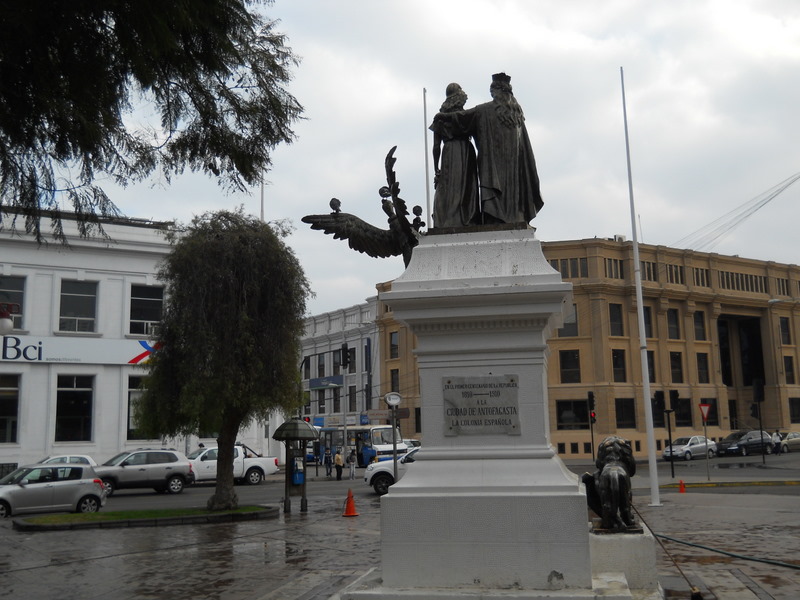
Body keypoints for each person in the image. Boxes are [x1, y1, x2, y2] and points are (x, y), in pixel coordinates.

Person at [433, 72, 543, 226]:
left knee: (497, 190)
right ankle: (517, 215)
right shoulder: (517, 114)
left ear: (498, 91)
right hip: (514, 169)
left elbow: (463, 117)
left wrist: (443, 117)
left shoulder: (486, 110)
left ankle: (496, 217)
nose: (492, 95)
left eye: (493, 92)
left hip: (494, 169)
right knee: (514, 189)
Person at [429, 83, 479, 228]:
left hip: (449, 150)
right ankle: (467, 219)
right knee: (467, 186)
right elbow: (477, 141)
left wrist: (436, 168)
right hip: (465, 150)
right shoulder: (467, 116)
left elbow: (436, 146)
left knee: (448, 186)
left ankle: (447, 219)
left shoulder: (440, 118)